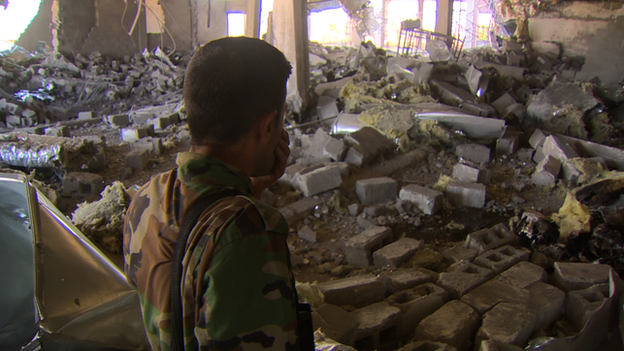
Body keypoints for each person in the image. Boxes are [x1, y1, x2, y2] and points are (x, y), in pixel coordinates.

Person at [123, 37, 299, 351]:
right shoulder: (248, 230)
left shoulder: (146, 198)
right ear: (267, 125)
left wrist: (251, 187)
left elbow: (184, 293)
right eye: (281, 121)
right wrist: (249, 206)